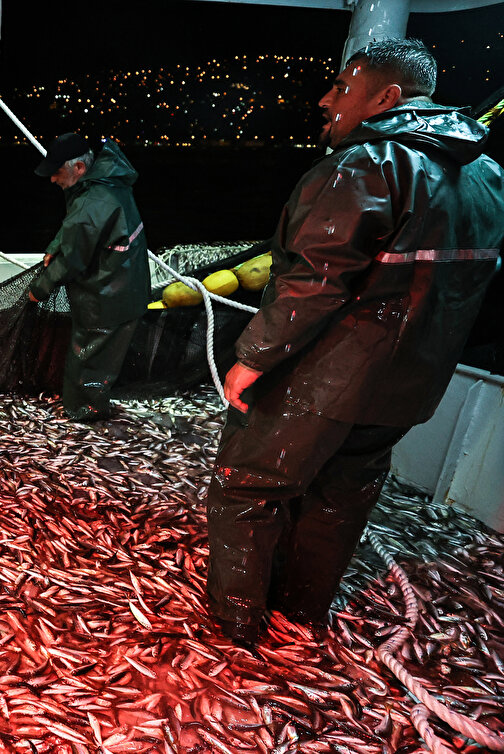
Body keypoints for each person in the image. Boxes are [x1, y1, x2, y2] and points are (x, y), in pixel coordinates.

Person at [207, 39, 504, 646]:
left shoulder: (368, 163)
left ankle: (236, 625)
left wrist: (250, 357)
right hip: (408, 383)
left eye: (342, 87)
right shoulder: (486, 174)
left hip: (328, 377)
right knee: (344, 490)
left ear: (387, 96)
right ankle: (304, 609)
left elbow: (315, 279)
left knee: (249, 485)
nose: (326, 100)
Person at [27, 133, 150, 422]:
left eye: (56, 173)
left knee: (90, 359)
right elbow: (77, 228)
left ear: (78, 168)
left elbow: (73, 258)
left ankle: (85, 415)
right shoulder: (107, 177)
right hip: (128, 283)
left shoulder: (93, 202)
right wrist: (55, 246)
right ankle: (87, 406)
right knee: (100, 357)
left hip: (110, 297)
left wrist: (39, 290)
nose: (52, 180)